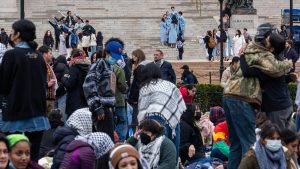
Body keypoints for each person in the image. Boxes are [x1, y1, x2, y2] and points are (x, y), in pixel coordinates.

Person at [223, 23, 292, 169]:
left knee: (235, 144)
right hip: (242, 97)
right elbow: (277, 68)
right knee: (249, 144)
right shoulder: (263, 54)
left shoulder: (250, 48)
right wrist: (288, 64)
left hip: (229, 94)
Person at [0, 19, 50, 162]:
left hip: (16, 115)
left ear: (17, 34)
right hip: (38, 116)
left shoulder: (11, 55)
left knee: (12, 159)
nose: (10, 34)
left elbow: (3, 86)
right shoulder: (39, 56)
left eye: (12, 31)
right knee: (32, 160)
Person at [239, 33, 294, 129]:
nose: (265, 41)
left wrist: (242, 55)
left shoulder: (267, 65)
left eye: (268, 41)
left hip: (275, 108)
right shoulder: (279, 60)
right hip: (287, 105)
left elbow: (247, 72)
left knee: (276, 140)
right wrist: (289, 78)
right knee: (286, 140)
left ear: (272, 49)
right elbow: (280, 80)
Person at [138, 63, 186, 160]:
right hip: (172, 119)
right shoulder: (169, 84)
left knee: (156, 151)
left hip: (152, 120)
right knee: (171, 149)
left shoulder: (146, 87)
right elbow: (179, 102)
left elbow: (142, 108)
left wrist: (140, 124)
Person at [61, 49, 90, 118]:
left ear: (73, 56)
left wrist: (64, 78)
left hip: (74, 101)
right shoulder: (88, 67)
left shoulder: (74, 68)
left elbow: (69, 84)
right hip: (85, 100)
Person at [128, 49, 150, 126]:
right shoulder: (147, 66)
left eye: (133, 56)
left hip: (138, 98)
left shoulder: (140, 68)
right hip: (145, 96)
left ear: (137, 57)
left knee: (136, 121)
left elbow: (138, 84)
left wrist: (134, 97)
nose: (132, 58)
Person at [39, 45, 57, 115]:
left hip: (51, 98)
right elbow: (35, 82)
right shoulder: (38, 65)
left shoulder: (48, 65)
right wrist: (47, 84)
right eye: (50, 53)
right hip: (43, 98)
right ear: (44, 54)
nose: (51, 55)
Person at [53, 55, 69, 121]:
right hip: (61, 94)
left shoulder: (61, 68)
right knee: (63, 115)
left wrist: (55, 85)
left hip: (55, 95)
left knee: (53, 116)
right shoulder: (65, 68)